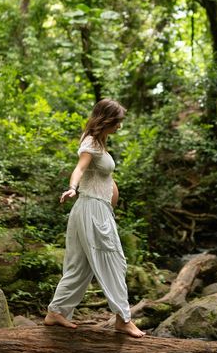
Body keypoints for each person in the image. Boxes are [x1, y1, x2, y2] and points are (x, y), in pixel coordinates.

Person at [44, 98, 145, 338]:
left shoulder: (100, 141)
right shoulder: (90, 142)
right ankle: (123, 318)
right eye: (117, 122)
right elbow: (79, 168)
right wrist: (72, 187)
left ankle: (56, 312)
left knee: (80, 264)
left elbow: (102, 177)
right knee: (114, 261)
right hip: (92, 210)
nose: (119, 126)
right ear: (106, 120)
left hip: (92, 210)